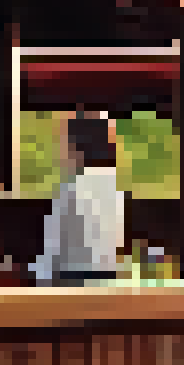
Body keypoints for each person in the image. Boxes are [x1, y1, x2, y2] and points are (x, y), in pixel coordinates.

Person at [32, 113, 127, 285]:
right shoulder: (115, 187)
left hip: (71, 284)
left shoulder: (71, 188)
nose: (62, 152)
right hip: (107, 285)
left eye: (65, 144)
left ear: (77, 147)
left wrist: (39, 286)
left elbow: (51, 251)